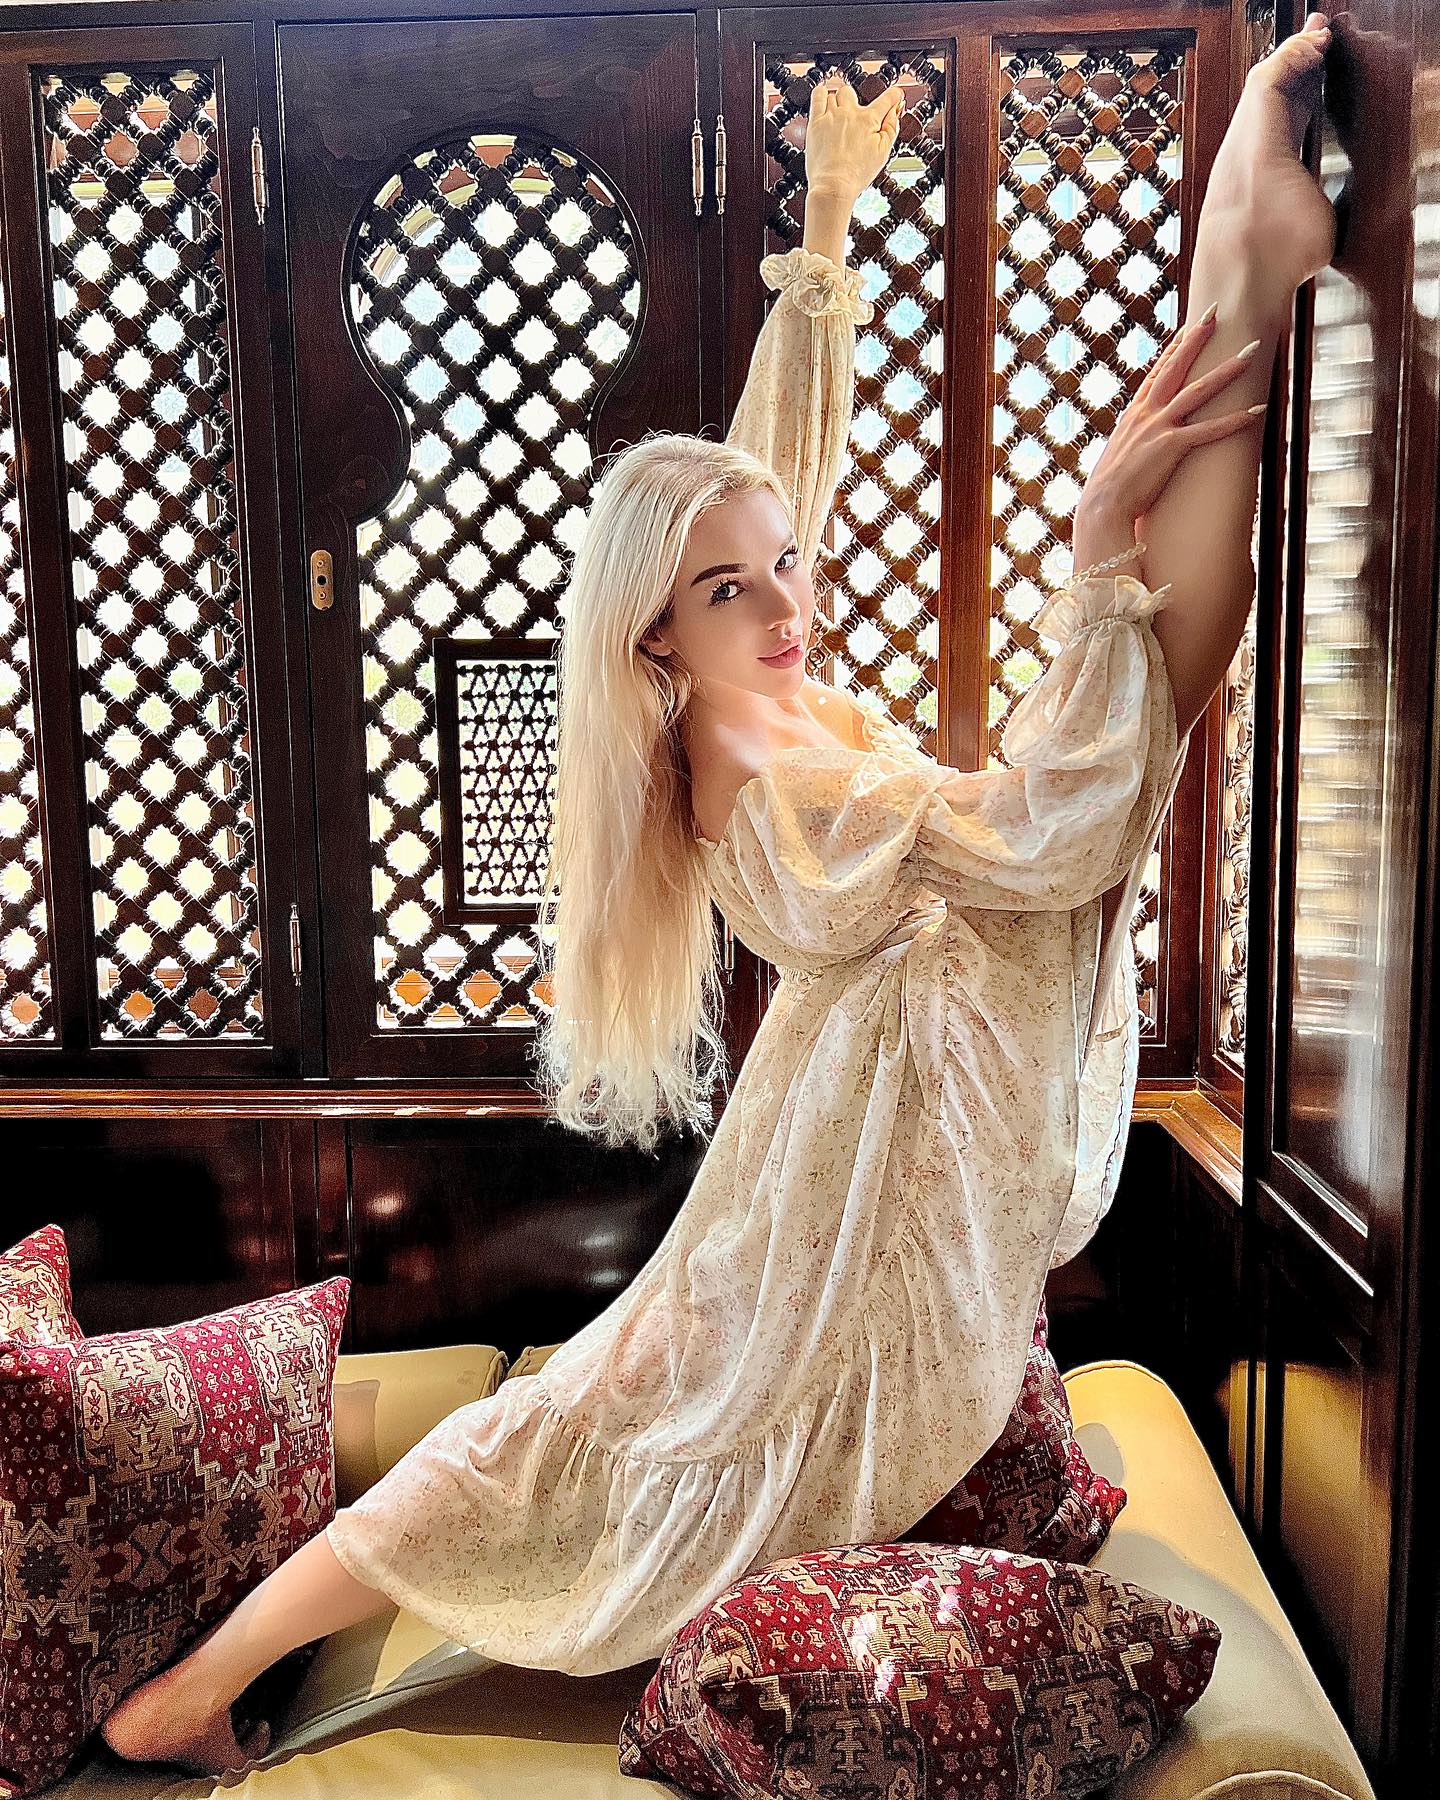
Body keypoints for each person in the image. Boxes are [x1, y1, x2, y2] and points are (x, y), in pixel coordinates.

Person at [100, 13, 1337, 1775]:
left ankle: (1247, 277)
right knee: (567, 1438)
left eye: (785, 573)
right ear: (654, 640)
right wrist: (1080, 563)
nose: (782, 603)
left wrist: (823, 241)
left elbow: (768, 476)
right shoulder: (745, 750)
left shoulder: (750, 688)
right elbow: (1034, 838)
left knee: (1130, 708)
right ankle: (187, 1691)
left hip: (868, 1118)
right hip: (858, 1144)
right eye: (729, 592)